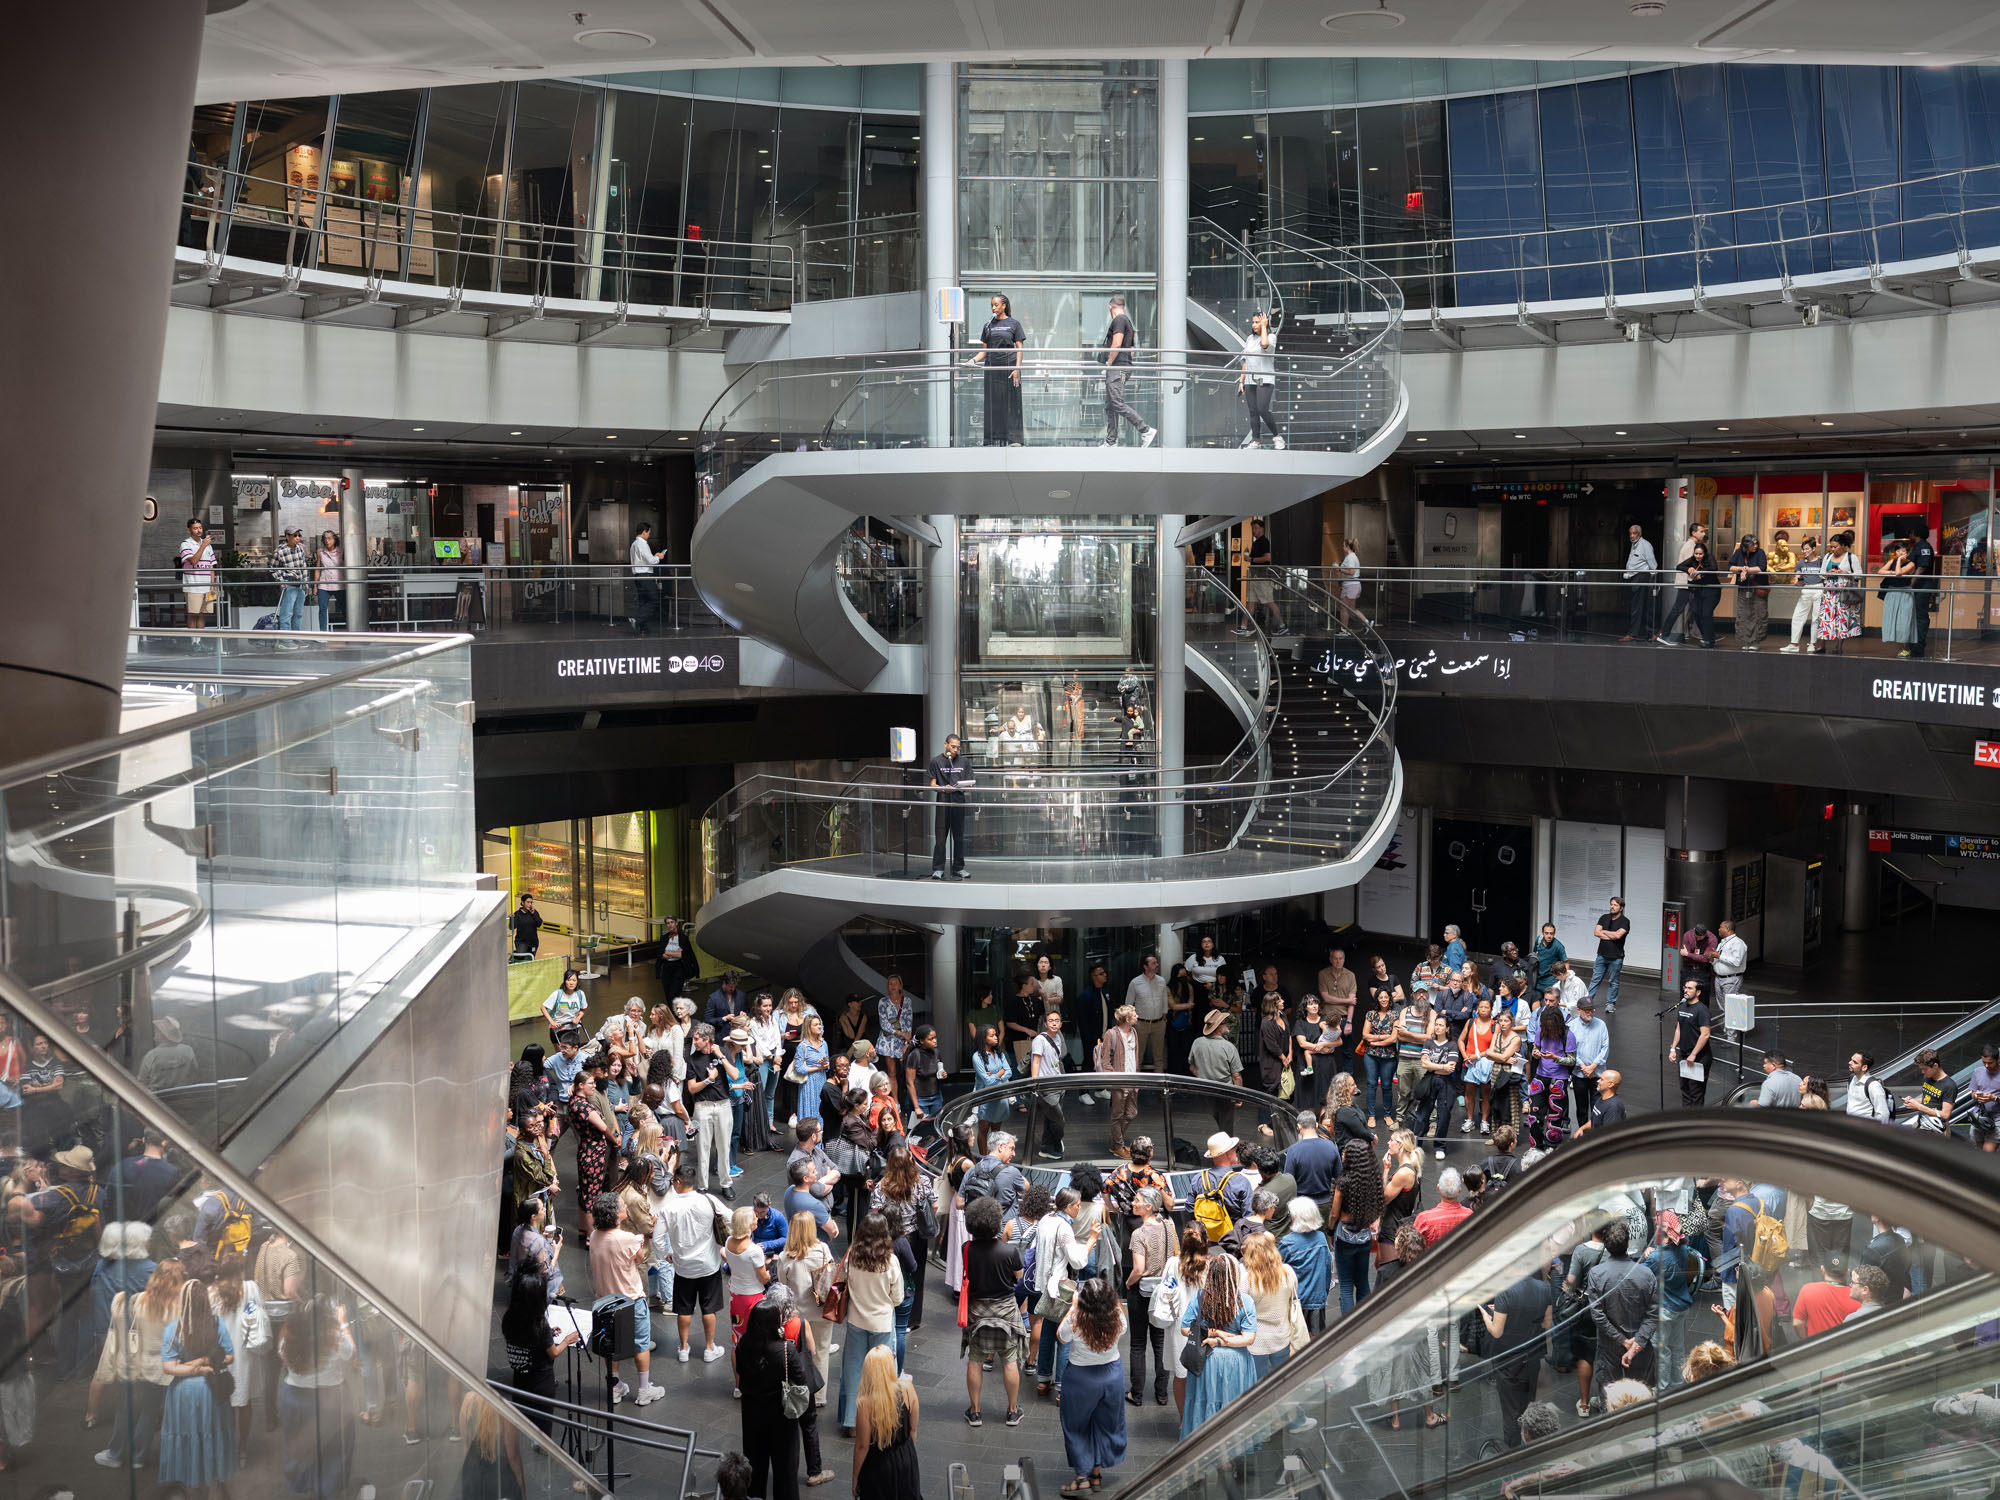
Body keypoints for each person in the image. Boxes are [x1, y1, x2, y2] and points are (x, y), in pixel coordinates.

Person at [157, 1275, 239, 1495]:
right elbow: (229, 1356)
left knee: (189, 1437)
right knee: (211, 1434)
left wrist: (196, 1365)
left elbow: (169, 1367)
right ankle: (215, 1479)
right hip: (212, 1390)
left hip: (184, 1393)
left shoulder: (173, 1329)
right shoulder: (216, 1322)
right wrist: (205, 1365)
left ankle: (195, 1485)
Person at [961, 1195, 1028, 1429]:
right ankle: (1011, 1411)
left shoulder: (966, 1248)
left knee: (975, 1360)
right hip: (1006, 1311)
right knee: (1010, 1360)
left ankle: (975, 1411)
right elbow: (1019, 1279)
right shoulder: (1009, 1252)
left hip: (977, 1312)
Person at [1057, 1277, 1128, 1495]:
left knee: (1076, 1427)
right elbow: (1123, 1327)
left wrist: (1073, 1306)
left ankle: (1082, 1480)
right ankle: (1096, 1474)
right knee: (1104, 1424)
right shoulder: (1117, 1317)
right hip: (1112, 1376)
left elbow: (1061, 1337)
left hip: (1080, 1378)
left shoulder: (1076, 1318)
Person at [836, 1214, 905, 1434]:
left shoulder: (852, 1256)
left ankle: (852, 1420)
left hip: (856, 1320)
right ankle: (882, 1418)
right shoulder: (890, 1261)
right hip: (882, 1323)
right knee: (883, 1373)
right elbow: (898, 1298)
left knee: (854, 1371)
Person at [1178, 1252, 1258, 1440]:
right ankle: (1229, 1450)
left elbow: (1184, 1328)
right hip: (1236, 1363)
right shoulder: (1244, 1302)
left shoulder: (1200, 1297)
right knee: (1232, 1407)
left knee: (1205, 1403)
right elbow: (1249, 1338)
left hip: (1207, 1361)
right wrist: (1221, 1336)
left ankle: (1203, 1445)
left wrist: (1212, 1335)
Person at [734, 1297, 806, 1500]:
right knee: (785, 1471)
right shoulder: (785, 1350)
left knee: (755, 1468)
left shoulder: (743, 1346)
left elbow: (740, 1372)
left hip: (752, 1415)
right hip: (781, 1418)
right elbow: (801, 1380)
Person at [659, 1163, 727, 1363]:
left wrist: (666, 1253)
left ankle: (683, 1348)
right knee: (709, 1308)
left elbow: (657, 1238)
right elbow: (730, 1217)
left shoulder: (669, 1208)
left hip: (683, 1268)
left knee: (684, 1309)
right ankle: (709, 1347)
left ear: (678, 1182)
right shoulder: (708, 1200)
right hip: (709, 1265)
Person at [1482, 1264, 1555, 1447]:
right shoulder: (1544, 1288)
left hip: (1509, 1362)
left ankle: (1512, 1454)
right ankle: (1529, 1447)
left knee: (1510, 1413)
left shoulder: (1505, 1292)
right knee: (1527, 1408)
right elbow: (1547, 1324)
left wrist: (1486, 1316)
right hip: (1532, 1359)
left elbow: (1497, 1332)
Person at [1583, 1220, 1657, 1401]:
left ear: (1606, 1246)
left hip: (1610, 1349)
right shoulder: (1646, 1274)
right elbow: (1654, 1313)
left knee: (1610, 1401)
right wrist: (1637, 1342)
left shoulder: (1597, 1274)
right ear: (1628, 1244)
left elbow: (1598, 1315)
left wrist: (1622, 1341)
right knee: (1641, 1398)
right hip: (1640, 1349)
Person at [851, 1344, 921, 1500]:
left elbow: (862, 1446)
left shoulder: (865, 1403)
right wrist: (909, 1455)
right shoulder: (908, 1389)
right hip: (906, 1455)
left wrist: (855, 1477)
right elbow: (913, 1430)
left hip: (879, 1464)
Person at [1101, 294, 1157, 448]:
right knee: (1110, 405)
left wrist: (1109, 362)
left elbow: (1117, 344)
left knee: (1117, 403)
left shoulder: (1119, 320)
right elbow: (1131, 350)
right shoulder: (1128, 323)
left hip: (1117, 367)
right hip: (1123, 366)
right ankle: (1110, 441)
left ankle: (1145, 430)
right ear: (1123, 307)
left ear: (1110, 307)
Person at [972, 293, 1025, 446]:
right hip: (991, 369)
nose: (993, 308)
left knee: (1012, 403)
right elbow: (984, 352)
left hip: (1010, 369)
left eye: (996, 305)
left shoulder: (1014, 324)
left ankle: (1014, 440)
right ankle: (992, 440)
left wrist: (1017, 368)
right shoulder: (988, 325)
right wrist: (973, 360)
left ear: (1004, 306)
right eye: (992, 305)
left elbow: (1020, 348)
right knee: (993, 404)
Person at [1405, 1014, 1460, 1157]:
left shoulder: (1452, 1045)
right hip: (1429, 1080)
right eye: (1436, 1024)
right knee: (1422, 1114)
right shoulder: (1429, 1043)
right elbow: (1424, 1064)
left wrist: (1432, 1066)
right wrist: (1441, 1067)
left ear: (1447, 1028)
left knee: (1443, 1115)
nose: (1437, 1027)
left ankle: (1440, 1147)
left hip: (1446, 1083)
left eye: (1441, 1025)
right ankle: (1417, 1145)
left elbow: (1451, 1068)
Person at [1524, 1004, 1577, 1151]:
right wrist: (1536, 1053)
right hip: (1540, 1075)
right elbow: (1536, 1047)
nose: (1550, 1030)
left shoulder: (1568, 1035)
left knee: (1555, 1114)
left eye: (1552, 1027)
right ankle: (1536, 1146)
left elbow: (1572, 1060)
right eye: (1547, 1026)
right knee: (1534, 1113)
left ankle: (1552, 1146)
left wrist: (1556, 1058)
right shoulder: (1541, 1031)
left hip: (1559, 1078)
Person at [927, 733, 974, 880]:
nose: (955, 750)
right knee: (941, 837)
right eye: (952, 747)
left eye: (957, 748)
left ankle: (958, 868)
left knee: (959, 837)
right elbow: (932, 784)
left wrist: (967, 785)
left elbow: (970, 782)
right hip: (943, 800)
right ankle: (938, 868)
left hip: (958, 799)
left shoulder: (964, 762)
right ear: (945, 744)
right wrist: (942, 788)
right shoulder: (936, 761)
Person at [1097, 1005, 1141, 1157]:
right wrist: (1114, 1077)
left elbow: (1135, 1056)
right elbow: (1105, 1061)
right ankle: (1118, 1146)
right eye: (1134, 1014)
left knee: (1132, 1112)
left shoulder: (1134, 1032)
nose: (1137, 1016)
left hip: (1133, 1079)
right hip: (1119, 1080)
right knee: (1118, 1114)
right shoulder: (1112, 1034)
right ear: (1127, 1019)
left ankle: (1116, 1143)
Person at [1236, 308, 1281, 450]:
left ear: (1264, 323)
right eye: (1253, 322)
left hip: (1265, 379)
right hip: (1250, 380)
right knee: (1253, 411)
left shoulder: (1271, 337)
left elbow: (1265, 345)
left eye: (1257, 322)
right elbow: (1245, 360)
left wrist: (1263, 327)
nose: (1254, 325)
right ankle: (1256, 441)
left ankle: (1277, 437)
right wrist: (1241, 381)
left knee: (1262, 409)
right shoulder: (1249, 339)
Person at [1814, 530, 1863, 654]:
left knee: (1842, 618)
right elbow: (1821, 573)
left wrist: (1844, 573)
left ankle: (1838, 646)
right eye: (1831, 546)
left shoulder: (1852, 557)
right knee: (1825, 618)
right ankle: (1821, 645)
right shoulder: (1828, 556)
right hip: (1829, 590)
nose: (1832, 549)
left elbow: (1860, 575)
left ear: (1842, 545)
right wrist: (1828, 573)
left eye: (1835, 546)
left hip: (1843, 591)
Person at [1792, 1253, 1859, 1340]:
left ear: (1823, 1269)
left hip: (1818, 1348)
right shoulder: (1857, 1297)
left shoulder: (1808, 1290)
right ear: (1847, 1272)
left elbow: (1797, 1324)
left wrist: (1808, 1341)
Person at [1030, 1008, 1068, 1161]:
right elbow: (1036, 1061)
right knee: (1058, 1119)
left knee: (1050, 1119)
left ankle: (1047, 1147)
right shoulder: (1040, 1040)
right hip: (1046, 1086)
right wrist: (1034, 1083)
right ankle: (1057, 1142)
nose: (1054, 1023)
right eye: (1051, 1020)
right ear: (1045, 1024)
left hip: (1058, 1083)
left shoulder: (1058, 1037)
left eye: (1057, 1020)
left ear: (1060, 1023)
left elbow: (1056, 1060)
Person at [1668, 979, 1712, 1107]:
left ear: (1698, 992)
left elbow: (1705, 1034)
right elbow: (1679, 1029)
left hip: (1699, 1057)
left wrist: (1693, 1054)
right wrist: (1673, 1048)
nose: (1686, 990)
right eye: (1685, 987)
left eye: (1690, 988)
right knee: (1685, 1089)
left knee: (1696, 1092)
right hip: (1684, 1054)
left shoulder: (1702, 1010)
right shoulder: (1682, 1006)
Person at [1570, 995, 1609, 1131]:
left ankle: (1595, 1135)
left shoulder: (1601, 1025)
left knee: (1596, 1107)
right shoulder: (1571, 1026)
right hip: (1579, 1074)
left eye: (1592, 1010)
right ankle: (1582, 1132)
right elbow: (1571, 1050)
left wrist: (1593, 1066)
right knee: (1581, 1107)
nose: (1590, 1013)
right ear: (1578, 1010)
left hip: (1597, 1074)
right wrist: (1583, 1066)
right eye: (1587, 1010)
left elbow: (1605, 1048)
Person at [1126, 954, 1170, 1073]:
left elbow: (1165, 999)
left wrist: (1165, 1015)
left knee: (1159, 1058)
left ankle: (1160, 1089)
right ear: (1145, 967)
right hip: (1141, 1024)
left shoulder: (1161, 981)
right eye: (1154, 963)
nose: (1157, 965)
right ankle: (1134, 1089)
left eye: (1156, 963)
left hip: (1159, 1023)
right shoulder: (1135, 982)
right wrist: (1130, 1023)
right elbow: (1128, 1004)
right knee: (1137, 1057)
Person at [1781, 533, 1823, 653]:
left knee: (1816, 618)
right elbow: (1796, 579)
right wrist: (1797, 581)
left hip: (1819, 589)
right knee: (1797, 617)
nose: (1805, 551)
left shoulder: (1821, 561)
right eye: (1803, 549)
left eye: (1807, 549)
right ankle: (1794, 644)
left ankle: (1812, 644)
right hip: (1806, 590)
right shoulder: (1800, 563)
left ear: (1814, 548)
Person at [1901, 1047, 1958, 1132]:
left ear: (1935, 1066)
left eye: (1925, 1069)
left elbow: (1945, 1115)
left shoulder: (1949, 1086)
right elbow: (1928, 1099)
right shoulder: (1927, 1077)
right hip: (1922, 1123)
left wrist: (1918, 1107)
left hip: (1937, 1129)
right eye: (1921, 1069)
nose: (1923, 1072)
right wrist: (1913, 1101)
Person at [1588, 896, 1629, 1015]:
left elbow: (1618, 936)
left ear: (1621, 908)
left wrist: (1604, 932)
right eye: (1611, 904)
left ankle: (1610, 1003)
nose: (1612, 906)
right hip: (1601, 955)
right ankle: (1588, 1001)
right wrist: (1611, 935)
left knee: (1613, 981)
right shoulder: (1604, 917)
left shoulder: (1625, 921)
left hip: (1616, 957)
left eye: (1615, 905)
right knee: (1595, 979)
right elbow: (1596, 932)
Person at [1729, 531, 1769, 648]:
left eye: (1757, 543)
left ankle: (1755, 641)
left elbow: (1761, 568)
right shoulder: (1738, 553)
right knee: (1744, 613)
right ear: (1746, 545)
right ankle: (1745, 641)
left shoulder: (1760, 553)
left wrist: (1746, 570)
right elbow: (1731, 566)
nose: (1755, 546)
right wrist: (1742, 568)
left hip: (1758, 587)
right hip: (1743, 588)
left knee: (1758, 614)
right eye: (1753, 544)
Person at [1619, 524, 1659, 641]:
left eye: (1634, 533)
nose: (1631, 536)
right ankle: (1651, 632)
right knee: (1638, 606)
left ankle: (1635, 633)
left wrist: (1652, 581)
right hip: (1635, 578)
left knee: (1638, 606)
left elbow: (1653, 565)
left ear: (1640, 534)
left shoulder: (1645, 545)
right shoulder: (1634, 545)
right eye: (1630, 533)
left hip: (1642, 577)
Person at [179, 518, 218, 633]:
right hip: (193, 585)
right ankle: (194, 642)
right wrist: (203, 546)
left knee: (202, 614)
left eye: (200, 528)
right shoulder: (186, 544)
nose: (199, 530)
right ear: (189, 530)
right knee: (192, 614)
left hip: (207, 586)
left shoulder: (208, 546)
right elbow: (193, 561)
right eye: (195, 528)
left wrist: (213, 585)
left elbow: (211, 566)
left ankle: (201, 641)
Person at [272, 524, 310, 631]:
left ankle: (296, 637)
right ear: (287, 536)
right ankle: (286, 640)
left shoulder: (300, 549)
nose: (298, 537)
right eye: (295, 535)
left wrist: (306, 584)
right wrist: (282, 581)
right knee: (287, 613)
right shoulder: (279, 551)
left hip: (301, 584)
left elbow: (304, 567)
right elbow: (273, 568)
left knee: (298, 613)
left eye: (299, 535)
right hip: (289, 585)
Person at [628, 521, 662, 635]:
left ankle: (643, 628)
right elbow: (651, 561)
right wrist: (658, 557)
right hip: (645, 576)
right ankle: (637, 620)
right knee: (654, 599)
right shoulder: (642, 543)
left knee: (643, 602)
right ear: (643, 532)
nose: (649, 535)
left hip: (637, 576)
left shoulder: (633, 544)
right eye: (649, 533)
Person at [1968, 1043, 2000, 1151]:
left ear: (1998, 1059)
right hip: (1979, 1117)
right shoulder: (1978, 1072)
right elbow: (1972, 1093)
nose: (1986, 1065)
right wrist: (1976, 1096)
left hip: (1997, 1119)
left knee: (1987, 1153)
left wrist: (1994, 1098)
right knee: (1979, 1153)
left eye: (1990, 1063)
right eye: (1984, 1062)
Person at [1712, 918, 1748, 1014]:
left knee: (1730, 1006)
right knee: (1722, 1006)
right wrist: (1711, 959)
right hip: (1719, 978)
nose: (1718, 929)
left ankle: (1731, 1028)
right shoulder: (1722, 942)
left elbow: (1737, 961)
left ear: (1728, 929)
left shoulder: (1738, 943)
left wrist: (1719, 956)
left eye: (1721, 927)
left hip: (1731, 979)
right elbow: (1718, 960)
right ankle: (1728, 1027)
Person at [1580, 1068, 1627, 1135]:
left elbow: (1610, 1136)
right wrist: (1582, 1128)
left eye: (1601, 1079)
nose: (1598, 1081)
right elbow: (1595, 1120)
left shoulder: (1613, 1108)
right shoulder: (1602, 1098)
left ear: (1610, 1084)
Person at [313, 530, 344, 631]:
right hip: (324, 584)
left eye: (329, 538)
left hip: (339, 584)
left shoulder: (342, 551)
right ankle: (323, 633)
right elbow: (318, 569)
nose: (327, 541)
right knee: (322, 609)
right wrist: (315, 586)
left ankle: (350, 633)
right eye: (325, 538)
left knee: (345, 608)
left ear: (334, 539)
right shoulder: (320, 552)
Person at [542, 969, 586, 1039]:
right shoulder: (557, 994)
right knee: (561, 1050)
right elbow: (543, 1007)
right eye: (569, 980)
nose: (571, 983)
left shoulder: (580, 994)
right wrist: (552, 1022)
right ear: (565, 981)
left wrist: (578, 1018)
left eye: (574, 980)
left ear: (577, 982)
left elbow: (583, 1009)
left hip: (573, 1029)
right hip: (558, 1030)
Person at [509, 893, 543, 960]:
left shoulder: (534, 912)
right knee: (521, 956)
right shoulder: (517, 914)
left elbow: (539, 924)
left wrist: (534, 914)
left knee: (530, 958)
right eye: (528, 902)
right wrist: (512, 919)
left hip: (533, 942)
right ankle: (515, 955)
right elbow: (512, 927)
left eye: (531, 902)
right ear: (522, 902)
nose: (530, 904)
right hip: (522, 941)